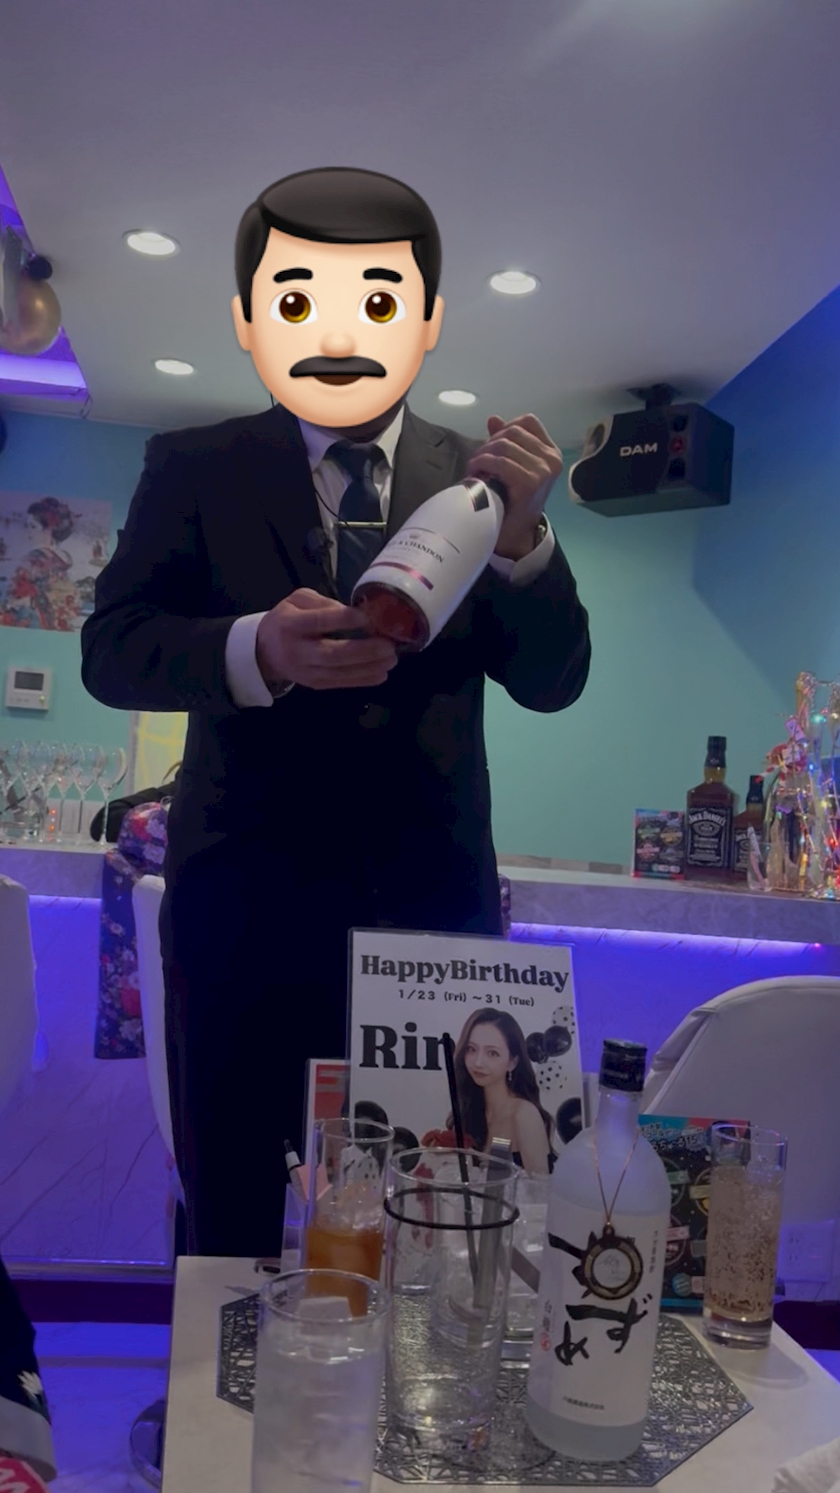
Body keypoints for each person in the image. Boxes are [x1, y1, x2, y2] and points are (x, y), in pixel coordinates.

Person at [80, 166, 590, 1258]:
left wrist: (524, 543)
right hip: (242, 924)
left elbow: (555, 679)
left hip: (434, 933)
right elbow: (111, 650)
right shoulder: (195, 465)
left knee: (437, 1233)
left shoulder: (483, 484)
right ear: (252, 320)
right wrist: (253, 647)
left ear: (426, 320)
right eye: (300, 299)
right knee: (230, 1223)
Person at [451, 1009, 555, 1174]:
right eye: (471, 1049)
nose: (478, 1062)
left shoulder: (523, 1114)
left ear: (512, 1062)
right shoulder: (468, 1110)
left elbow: (539, 1186)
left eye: (492, 1053)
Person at [1, 497, 78, 631]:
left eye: (33, 526)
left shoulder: (31, 561)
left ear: (49, 530)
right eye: (27, 526)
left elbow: (10, 601)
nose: (28, 531)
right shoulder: (61, 561)